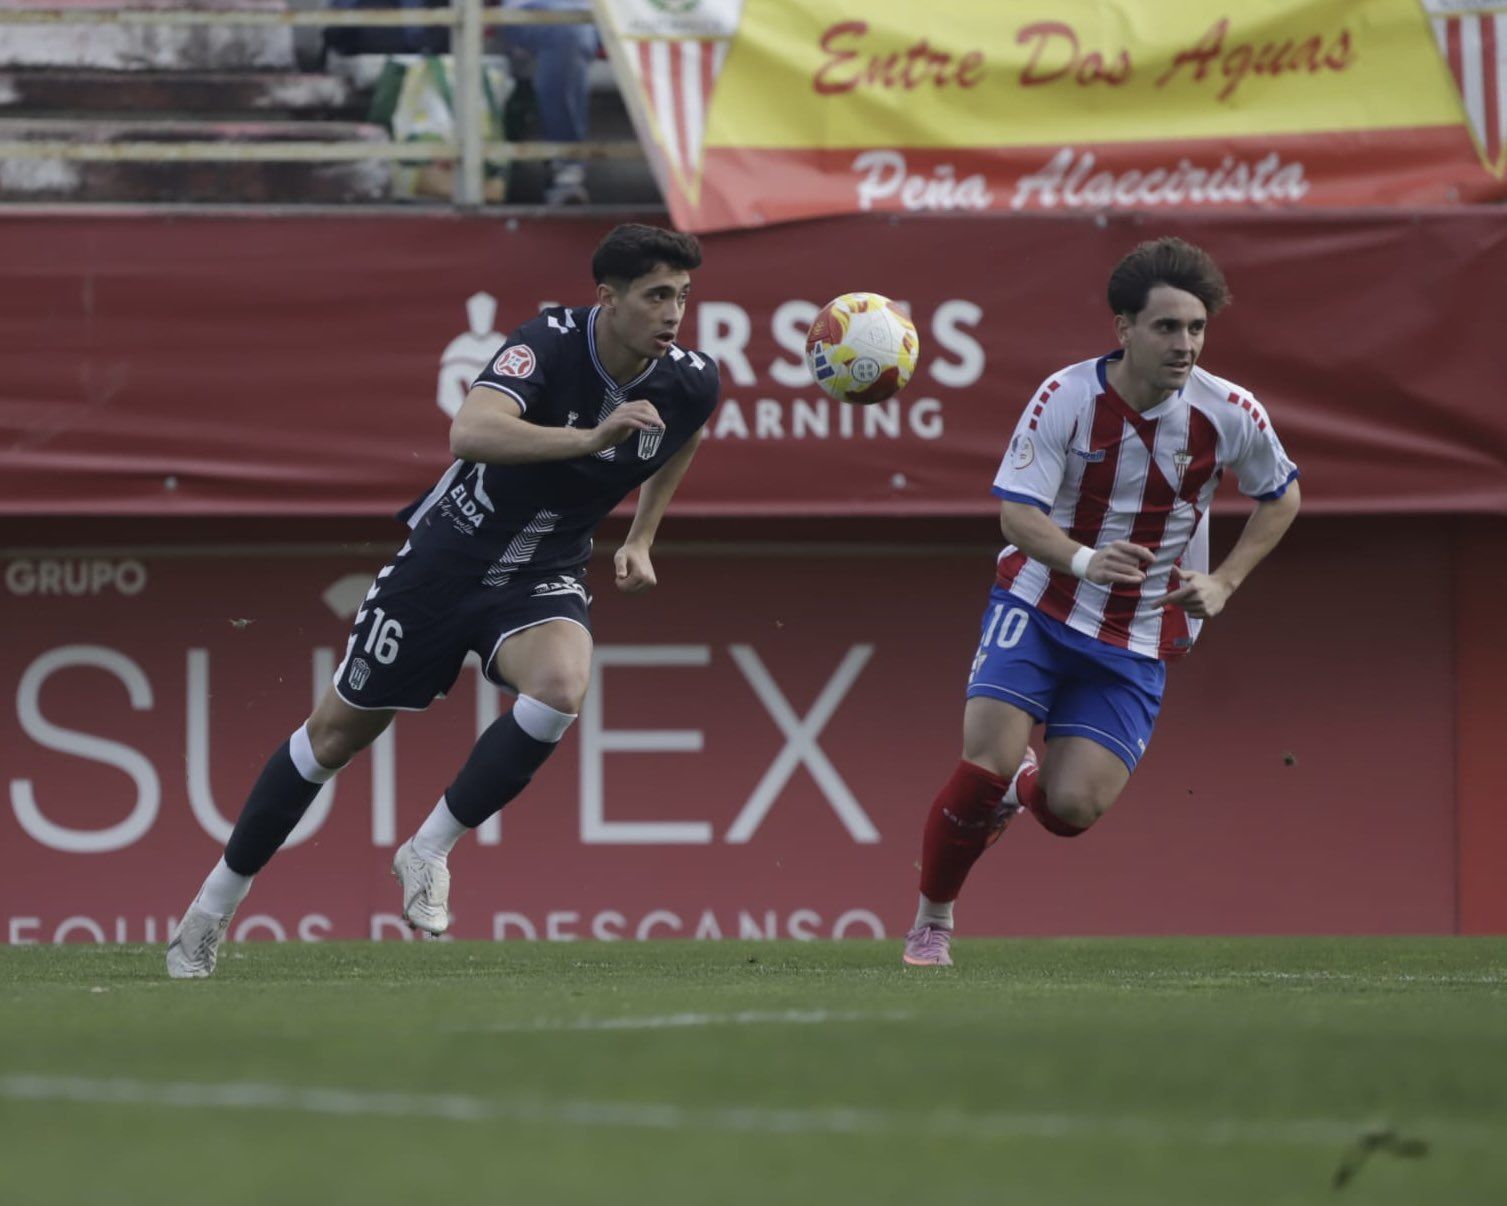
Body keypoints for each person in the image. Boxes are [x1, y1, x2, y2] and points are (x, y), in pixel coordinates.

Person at [167, 224, 718, 978]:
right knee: (332, 740)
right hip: (446, 560)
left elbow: (682, 433)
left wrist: (641, 535)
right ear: (608, 298)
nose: (672, 313)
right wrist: (589, 439)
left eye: (681, 297)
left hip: (542, 570)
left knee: (560, 687)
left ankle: (427, 848)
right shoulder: (548, 341)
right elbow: (470, 430)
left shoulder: (688, 378)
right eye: (657, 296)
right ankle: (210, 909)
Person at [902, 236, 1301, 968]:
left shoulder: (1230, 412)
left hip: (1140, 633)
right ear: (1122, 329)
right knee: (981, 759)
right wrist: (1085, 561)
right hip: (1039, 599)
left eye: (1196, 328)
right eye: (1166, 327)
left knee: (1072, 810)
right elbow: (1016, 516)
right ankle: (932, 922)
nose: (1184, 344)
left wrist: (1223, 581)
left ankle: (1024, 790)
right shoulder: (1065, 398)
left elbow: (1281, 497)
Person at [497, 0, 599, 205]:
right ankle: (566, 166)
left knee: (671, 23)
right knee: (568, 31)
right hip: (538, 9)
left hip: (626, 12)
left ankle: (678, 169)